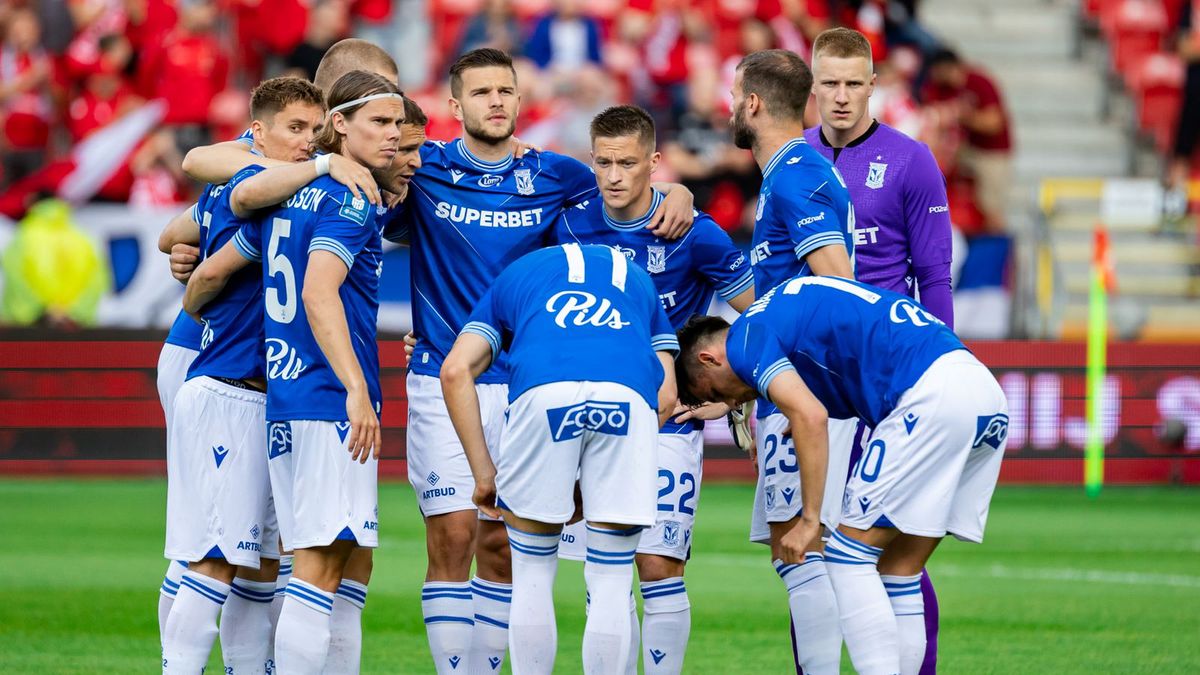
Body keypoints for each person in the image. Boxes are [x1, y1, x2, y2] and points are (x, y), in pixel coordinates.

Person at [385, 47, 695, 675]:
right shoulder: (424, 169)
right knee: (450, 534)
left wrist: (677, 191)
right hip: (447, 372)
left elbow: (626, 192)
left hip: (531, 381)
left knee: (504, 543)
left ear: (521, 100)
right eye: (481, 92)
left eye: (506, 90)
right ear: (455, 105)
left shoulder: (559, 174)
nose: (495, 102)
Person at [674, 275, 1009, 675]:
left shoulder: (746, 337)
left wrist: (810, 519)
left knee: (848, 557)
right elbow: (833, 388)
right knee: (900, 570)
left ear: (709, 359)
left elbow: (810, 416)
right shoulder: (781, 310)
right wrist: (803, 414)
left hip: (929, 394)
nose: (730, 402)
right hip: (983, 392)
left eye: (715, 393)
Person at [187, 70, 403, 674]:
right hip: (326, 397)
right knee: (319, 566)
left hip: (282, 397)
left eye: (397, 127)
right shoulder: (347, 195)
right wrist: (357, 388)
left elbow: (209, 218)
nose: (391, 139)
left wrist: (189, 268)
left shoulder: (287, 188)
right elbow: (318, 293)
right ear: (342, 125)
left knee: (296, 561)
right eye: (380, 124)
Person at [554, 104, 754, 674]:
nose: (615, 176)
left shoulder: (693, 231)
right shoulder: (567, 225)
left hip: (668, 425)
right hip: (588, 423)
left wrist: (734, 395)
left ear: (654, 163)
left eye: (628, 163)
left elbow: (763, 319)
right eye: (604, 163)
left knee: (661, 567)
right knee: (603, 570)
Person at [441, 242, 679, 674]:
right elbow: (666, 394)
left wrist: (484, 474)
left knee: (532, 573)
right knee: (610, 578)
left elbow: (455, 371)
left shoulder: (515, 274)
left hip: (543, 393)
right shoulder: (638, 278)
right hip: (626, 396)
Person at [159, 75, 327, 675]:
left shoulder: (259, 180)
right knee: (209, 556)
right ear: (256, 133)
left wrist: (190, 251)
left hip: (262, 394)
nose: (309, 141)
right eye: (297, 129)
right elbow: (205, 273)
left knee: (254, 558)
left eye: (315, 130)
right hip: (226, 385)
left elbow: (171, 234)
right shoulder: (261, 188)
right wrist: (199, 290)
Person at [806, 26, 953, 674]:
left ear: (873, 85)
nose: (840, 97)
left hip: (891, 383)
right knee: (808, 551)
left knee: (894, 547)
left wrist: (946, 364)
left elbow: (936, 274)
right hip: (812, 385)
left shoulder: (911, 159)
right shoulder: (791, 160)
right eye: (828, 84)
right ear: (812, 88)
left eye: (852, 83)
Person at [727, 47, 854, 673]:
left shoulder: (798, 175)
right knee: (800, 548)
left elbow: (837, 282)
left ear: (752, 102)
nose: (729, 105)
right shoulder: (788, 173)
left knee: (802, 547)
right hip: (799, 388)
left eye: (733, 94)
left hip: (810, 392)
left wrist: (794, 387)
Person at [921, 48, 1012, 233]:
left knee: (991, 207)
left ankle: (997, 253)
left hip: (991, 151)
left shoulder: (978, 82)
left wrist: (962, 116)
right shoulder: (939, 87)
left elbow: (994, 123)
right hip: (962, 149)